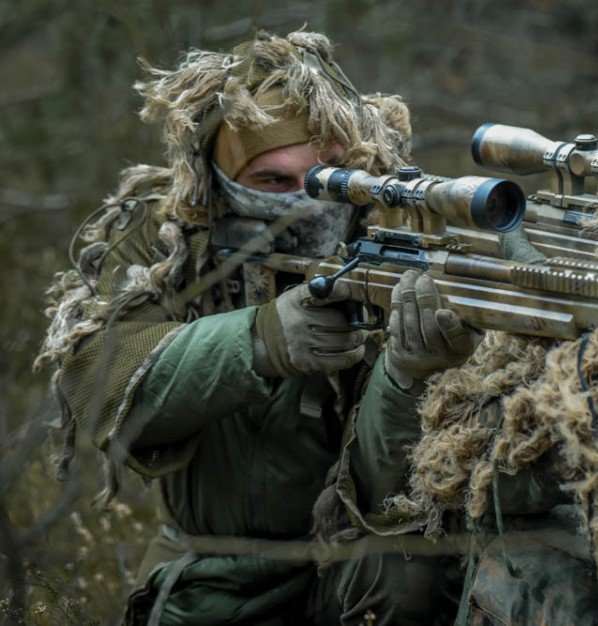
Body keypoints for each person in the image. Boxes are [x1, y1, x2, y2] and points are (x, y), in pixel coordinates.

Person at [35, 29, 479, 625]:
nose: (308, 201)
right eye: (274, 181)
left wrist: (405, 375)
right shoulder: (169, 238)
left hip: (357, 568)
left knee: (414, 577)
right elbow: (96, 381)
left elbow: (390, 494)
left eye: (330, 178)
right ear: (221, 185)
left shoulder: (395, 241)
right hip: (207, 577)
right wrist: (260, 340)